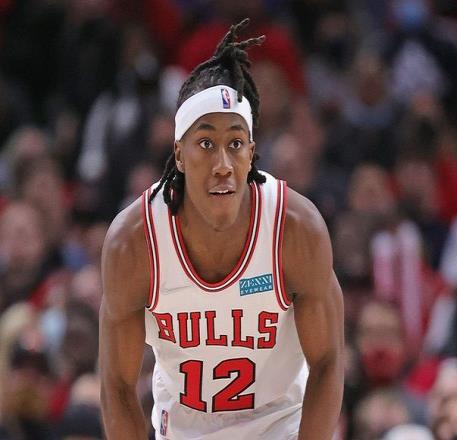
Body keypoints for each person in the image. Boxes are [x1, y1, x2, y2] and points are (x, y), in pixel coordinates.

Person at [99, 19, 344, 440]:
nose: (223, 165)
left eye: (235, 143)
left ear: (252, 153)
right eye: (206, 144)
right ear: (179, 154)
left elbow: (328, 361)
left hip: (281, 426)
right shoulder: (134, 241)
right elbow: (117, 386)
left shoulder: (295, 228)